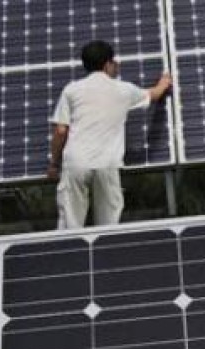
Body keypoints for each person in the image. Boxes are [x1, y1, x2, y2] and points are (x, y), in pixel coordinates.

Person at [48, 40, 172, 228]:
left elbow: (60, 130)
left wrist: (54, 165)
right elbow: (153, 94)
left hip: (76, 163)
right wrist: (164, 83)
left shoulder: (71, 90)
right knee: (108, 228)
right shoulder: (123, 89)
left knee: (70, 227)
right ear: (107, 65)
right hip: (107, 164)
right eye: (114, 62)